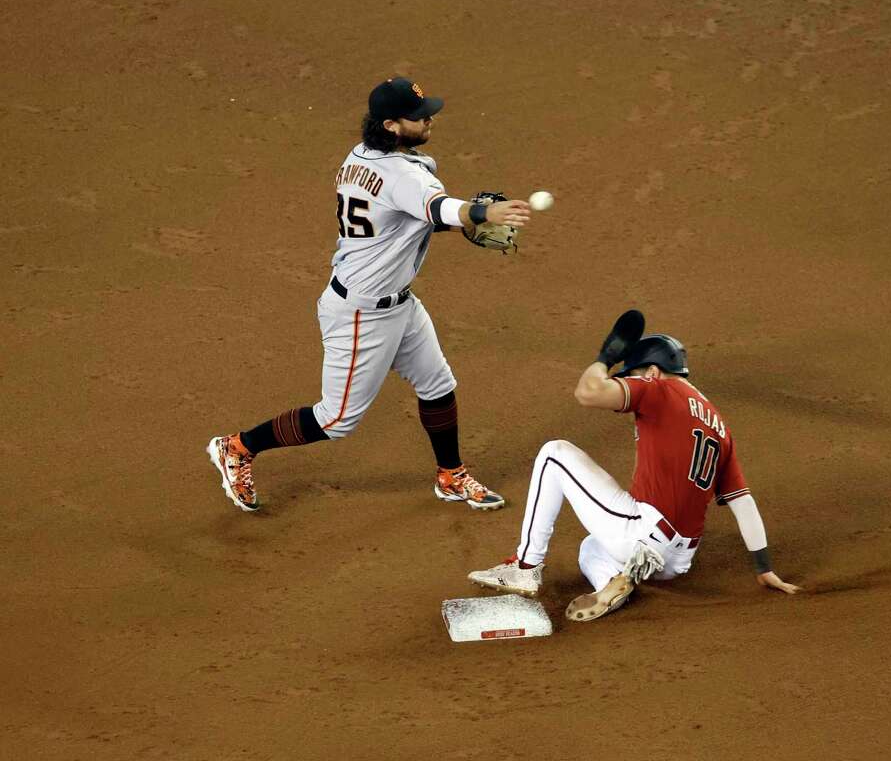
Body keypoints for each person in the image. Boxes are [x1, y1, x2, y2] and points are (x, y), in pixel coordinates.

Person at [206, 76, 531, 513]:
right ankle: (239, 447)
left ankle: (450, 475)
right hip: (362, 313)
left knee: (438, 385)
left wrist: (460, 220)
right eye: (419, 117)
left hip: (397, 302)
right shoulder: (402, 175)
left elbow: (402, 216)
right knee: (336, 420)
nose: (429, 119)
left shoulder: (361, 158)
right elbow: (434, 208)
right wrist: (479, 213)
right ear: (393, 125)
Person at [467, 311, 798, 621]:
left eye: (631, 376)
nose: (627, 382)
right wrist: (763, 567)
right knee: (591, 548)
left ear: (652, 371)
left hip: (643, 532)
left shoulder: (659, 388)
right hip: (677, 561)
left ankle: (525, 567)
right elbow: (744, 503)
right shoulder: (719, 426)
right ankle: (613, 583)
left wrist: (605, 359)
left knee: (554, 454)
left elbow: (588, 392)